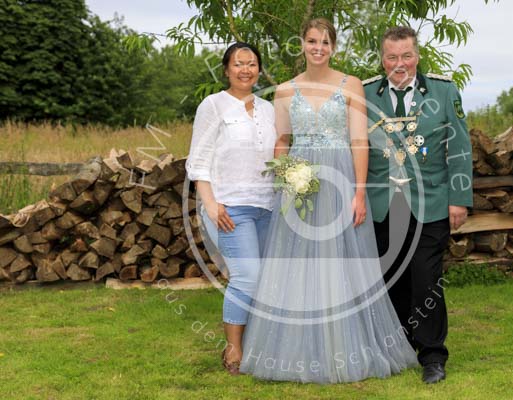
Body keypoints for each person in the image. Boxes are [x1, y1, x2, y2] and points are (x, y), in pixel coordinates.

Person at [240, 18, 418, 384]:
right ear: (302, 44)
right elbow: (283, 140)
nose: (318, 48)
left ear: (333, 47)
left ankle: (347, 347)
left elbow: (359, 141)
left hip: (341, 181)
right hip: (301, 185)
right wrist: (285, 176)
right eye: (311, 41)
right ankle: (297, 351)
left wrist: (359, 192)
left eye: (324, 42)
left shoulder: (350, 84)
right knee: (298, 265)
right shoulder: (285, 90)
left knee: (344, 264)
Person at [363, 26, 473, 384]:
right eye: (392, 57)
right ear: (382, 59)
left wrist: (459, 199)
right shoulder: (365, 93)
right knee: (392, 280)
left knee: (426, 280)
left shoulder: (443, 91)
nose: (400, 64)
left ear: (417, 55)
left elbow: (459, 147)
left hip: (432, 202)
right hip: (382, 204)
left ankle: (432, 355)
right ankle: (400, 347)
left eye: (407, 56)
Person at [185, 42, 276, 375]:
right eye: (238, 64)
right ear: (226, 70)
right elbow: (198, 161)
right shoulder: (213, 105)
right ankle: (233, 349)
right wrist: (211, 204)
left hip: (267, 206)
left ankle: (257, 344)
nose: (245, 70)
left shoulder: (268, 109)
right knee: (246, 276)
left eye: (251, 64)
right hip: (230, 206)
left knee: (264, 280)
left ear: (259, 70)